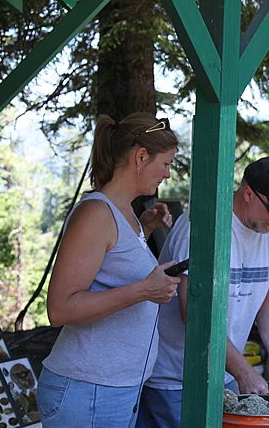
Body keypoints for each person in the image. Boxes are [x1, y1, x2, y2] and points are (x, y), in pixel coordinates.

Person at [137, 156, 269, 427]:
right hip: (174, 378)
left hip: (222, 374)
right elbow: (193, 314)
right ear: (249, 193)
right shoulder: (202, 226)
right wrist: (244, 372)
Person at [37, 113, 182, 427]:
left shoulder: (124, 212)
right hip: (88, 389)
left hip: (111, 389)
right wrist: (144, 290)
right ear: (141, 157)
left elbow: (110, 260)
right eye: (166, 164)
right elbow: (60, 309)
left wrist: (144, 227)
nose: (167, 175)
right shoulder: (95, 213)